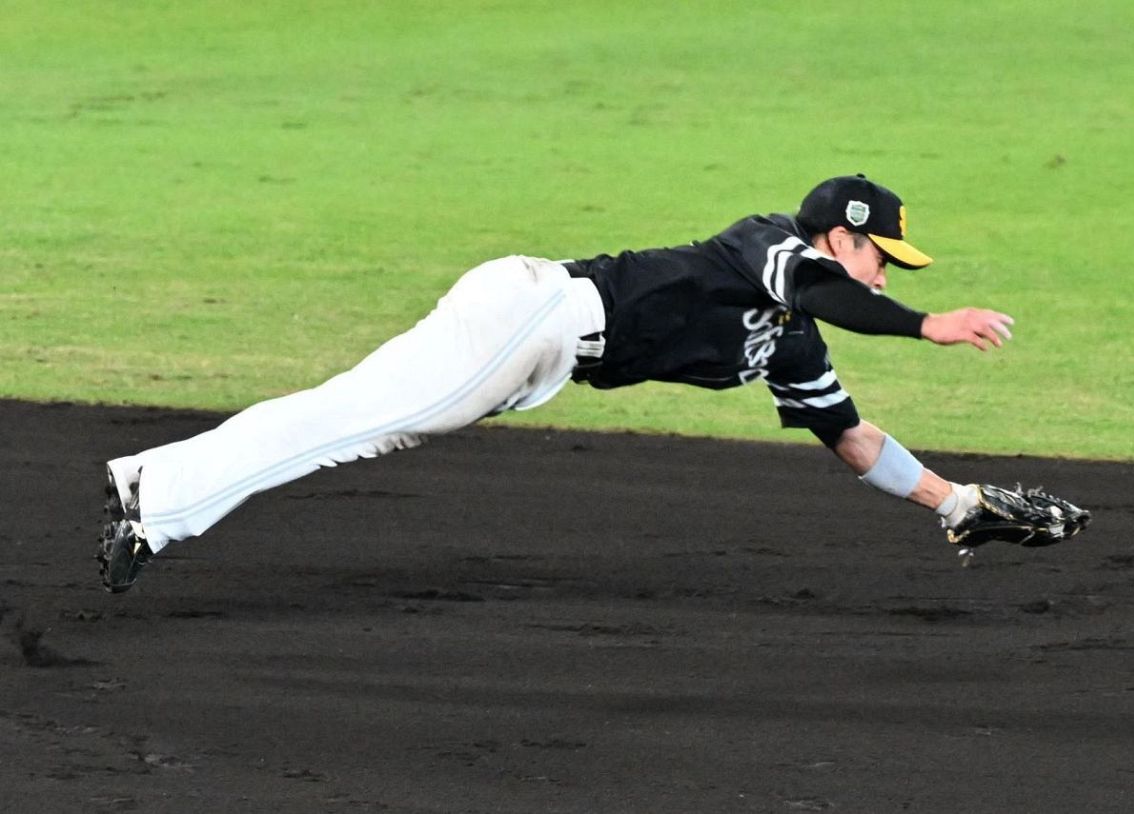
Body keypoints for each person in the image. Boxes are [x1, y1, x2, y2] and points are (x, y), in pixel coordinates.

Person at [98, 174, 1017, 593]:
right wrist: (931, 327)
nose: (889, 276)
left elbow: (852, 438)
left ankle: (154, 480)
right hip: (534, 314)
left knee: (357, 414)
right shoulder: (769, 244)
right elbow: (831, 294)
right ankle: (159, 503)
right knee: (356, 423)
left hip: (536, 349)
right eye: (880, 256)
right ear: (837, 237)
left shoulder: (794, 343)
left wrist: (954, 499)